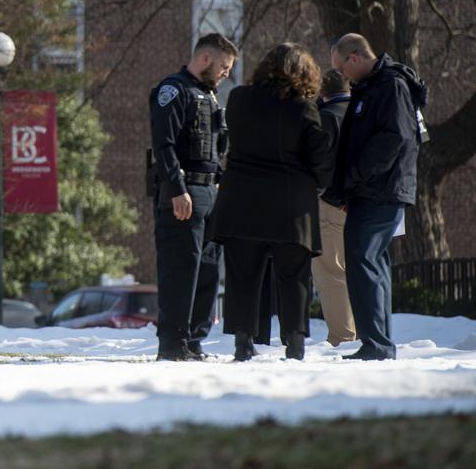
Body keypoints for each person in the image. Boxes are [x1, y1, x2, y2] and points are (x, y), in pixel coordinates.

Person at [212, 43, 330, 361]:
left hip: (242, 202)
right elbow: (319, 157)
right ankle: (294, 342)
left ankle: (242, 342)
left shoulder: (238, 99)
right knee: (293, 277)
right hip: (290, 206)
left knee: (242, 276)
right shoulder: (303, 108)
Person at [328, 34, 428, 361]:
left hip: (380, 190)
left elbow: (393, 139)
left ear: (354, 58)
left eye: (341, 68)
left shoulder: (389, 86)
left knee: (362, 258)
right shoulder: (372, 87)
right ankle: (378, 341)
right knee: (373, 260)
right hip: (375, 189)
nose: (342, 76)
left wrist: (356, 176)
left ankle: (376, 342)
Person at [148, 32, 237, 361]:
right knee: (180, 270)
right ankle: (173, 344)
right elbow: (164, 145)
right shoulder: (174, 90)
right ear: (205, 59)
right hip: (184, 192)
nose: (226, 73)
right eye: (224, 67)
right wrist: (177, 189)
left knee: (209, 271)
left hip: (211, 191)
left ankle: (194, 341)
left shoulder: (209, 96)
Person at [313, 69, 356, 346]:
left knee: (331, 270)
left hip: (331, 203)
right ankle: (364, 330)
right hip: (363, 203)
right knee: (358, 270)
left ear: (321, 93)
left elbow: (323, 165)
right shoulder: (362, 112)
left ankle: (342, 336)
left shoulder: (328, 117)